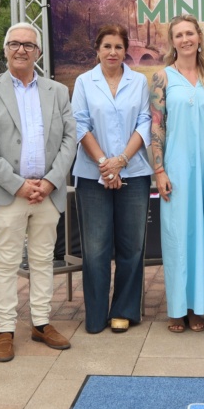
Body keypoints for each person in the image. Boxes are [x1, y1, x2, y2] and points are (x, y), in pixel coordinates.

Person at [0, 23, 77, 362]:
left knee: (43, 259)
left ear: (39, 52)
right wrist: (18, 185)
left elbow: (69, 139)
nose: (21, 49)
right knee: (6, 262)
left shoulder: (57, 91)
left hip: (47, 192)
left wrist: (49, 182)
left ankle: (41, 323)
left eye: (28, 45)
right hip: (10, 194)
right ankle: (5, 329)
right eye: (15, 44)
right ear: (5, 49)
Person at [150, 15, 204, 333]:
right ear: (172, 42)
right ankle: (177, 308)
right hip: (177, 167)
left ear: (199, 37)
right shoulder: (162, 77)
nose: (185, 39)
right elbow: (156, 127)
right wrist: (159, 170)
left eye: (189, 33)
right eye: (178, 35)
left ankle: (198, 307)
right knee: (177, 235)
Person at [71, 25, 152, 334]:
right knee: (95, 249)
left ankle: (123, 310)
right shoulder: (84, 82)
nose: (113, 52)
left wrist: (121, 162)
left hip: (134, 172)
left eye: (118, 46)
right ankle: (95, 314)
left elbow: (145, 122)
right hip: (93, 176)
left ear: (125, 50)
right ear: (97, 49)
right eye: (107, 46)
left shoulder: (139, 81)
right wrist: (105, 165)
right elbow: (80, 125)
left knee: (132, 248)